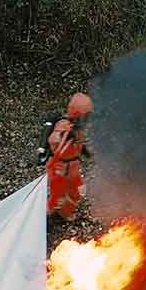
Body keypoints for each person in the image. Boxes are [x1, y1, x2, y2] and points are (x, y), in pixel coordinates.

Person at [45, 92, 92, 221]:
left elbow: (78, 142)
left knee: (78, 192)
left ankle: (65, 213)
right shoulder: (64, 125)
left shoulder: (78, 128)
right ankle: (45, 217)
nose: (87, 119)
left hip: (72, 167)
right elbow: (53, 140)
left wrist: (83, 150)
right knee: (57, 197)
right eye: (85, 115)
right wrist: (63, 136)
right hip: (60, 167)